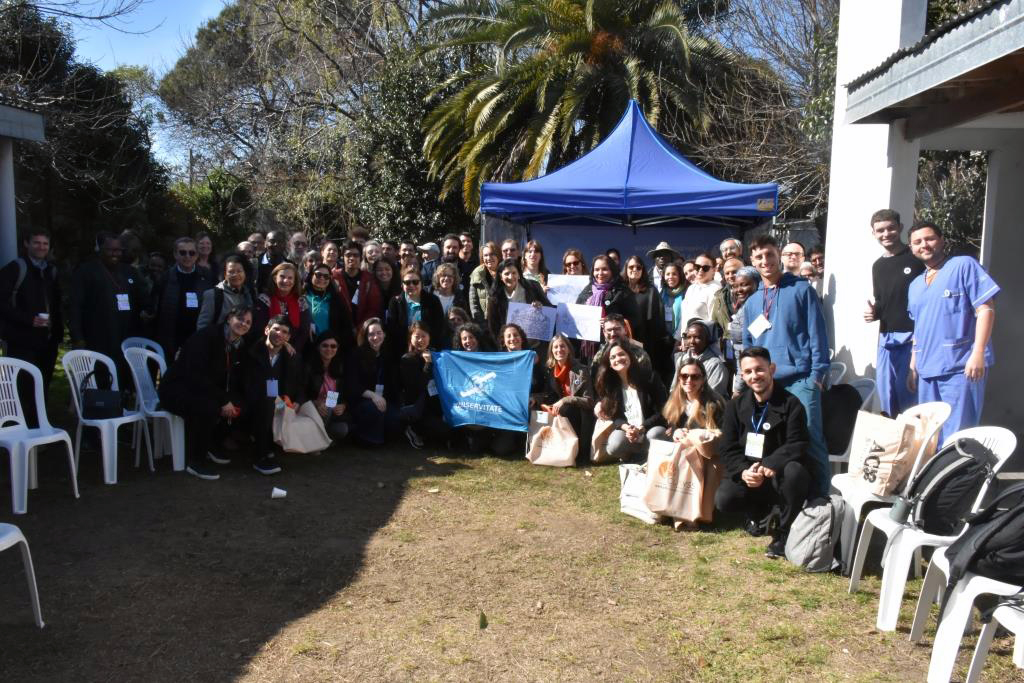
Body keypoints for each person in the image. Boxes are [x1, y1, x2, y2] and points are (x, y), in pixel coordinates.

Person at [742, 234, 830, 496]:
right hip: (765, 384)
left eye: (769, 254)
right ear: (752, 262)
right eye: (759, 257)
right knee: (767, 443)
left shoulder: (802, 290)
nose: (765, 260)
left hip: (801, 379)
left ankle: (822, 500)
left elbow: (818, 334)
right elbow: (748, 344)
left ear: (778, 254)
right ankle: (775, 501)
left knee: (811, 439)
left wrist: (817, 374)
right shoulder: (752, 302)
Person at [715, 347, 812, 558]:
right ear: (742, 376)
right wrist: (743, 472)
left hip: (776, 475)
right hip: (749, 473)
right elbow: (727, 447)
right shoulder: (734, 406)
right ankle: (757, 514)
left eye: (759, 369)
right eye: (748, 372)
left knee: (796, 472)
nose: (754, 376)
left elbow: (799, 443)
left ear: (772, 369)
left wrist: (771, 464)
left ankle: (783, 535)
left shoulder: (792, 405)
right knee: (724, 499)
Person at [907, 221, 999, 443]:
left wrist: (978, 352)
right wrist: (913, 365)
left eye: (929, 239)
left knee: (958, 435)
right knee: (931, 436)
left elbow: (986, 309)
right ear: (911, 248)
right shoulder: (915, 285)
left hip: (961, 367)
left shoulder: (963, 266)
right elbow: (919, 328)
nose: (924, 245)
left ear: (942, 241)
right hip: (927, 370)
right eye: (917, 242)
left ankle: (963, 478)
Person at [158, 305, 251, 480]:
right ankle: (196, 462)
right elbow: (195, 375)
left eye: (248, 322)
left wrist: (227, 400)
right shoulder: (207, 337)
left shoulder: (238, 345)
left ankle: (211, 444)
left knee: (241, 404)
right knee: (208, 407)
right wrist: (223, 400)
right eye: (240, 319)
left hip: (206, 390)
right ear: (229, 318)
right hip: (179, 389)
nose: (243, 324)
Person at [649, 357, 726, 527]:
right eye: (684, 376)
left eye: (695, 377)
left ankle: (685, 511)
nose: (689, 380)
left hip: (705, 457)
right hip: (680, 454)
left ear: (703, 379)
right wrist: (676, 431)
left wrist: (692, 435)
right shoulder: (676, 399)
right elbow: (670, 425)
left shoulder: (714, 403)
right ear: (679, 378)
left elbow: (719, 436)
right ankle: (667, 507)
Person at [863, 209, 924, 417]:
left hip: (911, 337)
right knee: (886, 395)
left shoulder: (916, 259)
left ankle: (913, 445)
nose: (886, 233)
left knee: (908, 394)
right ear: (873, 233)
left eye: (890, 228)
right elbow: (883, 300)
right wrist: (874, 313)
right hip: (886, 337)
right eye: (880, 230)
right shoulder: (877, 266)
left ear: (900, 228)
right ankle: (892, 444)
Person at [0, 228, 63, 426]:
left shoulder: (51, 271)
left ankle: (39, 427)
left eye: (45, 243)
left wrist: (58, 332)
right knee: (22, 385)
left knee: (42, 385)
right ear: (27, 244)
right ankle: (18, 429)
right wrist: (28, 320)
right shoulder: (16, 268)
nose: (41, 247)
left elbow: (56, 303)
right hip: (21, 340)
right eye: (37, 242)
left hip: (47, 341)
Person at [69, 233, 147, 386]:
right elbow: (75, 305)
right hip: (97, 336)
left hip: (125, 336)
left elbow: (142, 298)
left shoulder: (129, 271)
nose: (115, 254)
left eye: (118, 250)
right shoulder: (86, 271)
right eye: (110, 250)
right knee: (100, 377)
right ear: (100, 250)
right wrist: (77, 336)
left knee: (122, 376)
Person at [243, 314, 304, 475]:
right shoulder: (251, 353)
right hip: (252, 401)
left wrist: (297, 401)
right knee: (266, 405)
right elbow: (245, 384)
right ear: (266, 330)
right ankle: (260, 457)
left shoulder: (292, 358)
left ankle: (270, 447)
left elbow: (299, 384)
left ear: (289, 337)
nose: (280, 334)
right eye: (276, 329)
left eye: (285, 332)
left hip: (281, 401)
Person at [593, 341, 667, 462]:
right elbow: (615, 415)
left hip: (650, 428)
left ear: (630, 356)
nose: (618, 359)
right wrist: (626, 428)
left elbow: (662, 411)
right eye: (613, 357)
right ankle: (636, 455)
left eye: (621, 354)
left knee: (654, 435)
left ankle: (650, 457)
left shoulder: (650, 378)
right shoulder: (611, 385)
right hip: (629, 430)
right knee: (614, 446)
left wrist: (642, 428)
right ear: (610, 364)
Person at [150, 236, 215, 360]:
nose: (187, 256)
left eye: (191, 253)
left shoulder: (207, 277)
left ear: (197, 255)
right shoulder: (165, 278)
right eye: (182, 252)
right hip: (171, 335)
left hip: (197, 333)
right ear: (175, 254)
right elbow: (155, 307)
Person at [536, 333, 594, 460]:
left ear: (569, 349)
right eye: (555, 347)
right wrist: (537, 400)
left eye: (562, 346)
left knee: (566, 408)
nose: (559, 350)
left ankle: (575, 450)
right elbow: (548, 395)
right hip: (559, 413)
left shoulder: (581, 370)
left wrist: (565, 399)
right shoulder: (550, 371)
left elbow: (589, 401)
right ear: (551, 351)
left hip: (580, 415)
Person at [345, 317, 400, 445]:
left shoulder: (388, 355)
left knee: (395, 416)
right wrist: (373, 395)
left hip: (382, 399)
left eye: (378, 333)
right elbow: (352, 384)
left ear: (384, 334)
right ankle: (366, 440)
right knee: (373, 410)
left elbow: (393, 384)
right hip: (362, 399)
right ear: (365, 336)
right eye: (371, 334)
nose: (375, 337)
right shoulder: (356, 355)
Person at [575, 254, 640, 359]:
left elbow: (635, 319)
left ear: (612, 271)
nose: (600, 273)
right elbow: (575, 317)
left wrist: (611, 322)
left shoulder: (622, 291)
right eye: (597, 270)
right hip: (588, 352)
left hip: (615, 350)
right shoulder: (586, 291)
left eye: (604, 269)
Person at [399, 322, 451, 449]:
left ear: (429, 337)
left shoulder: (435, 354)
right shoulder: (407, 359)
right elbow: (418, 385)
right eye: (417, 336)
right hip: (419, 408)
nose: (420, 340)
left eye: (424, 336)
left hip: (434, 405)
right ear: (411, 338)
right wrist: (428, 364)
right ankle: (413, 429)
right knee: (441, 430)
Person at [623, 255, 670, 379]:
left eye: (638, 267)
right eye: (631, 267)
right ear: (626, 269)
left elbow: (658, 319)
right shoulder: (619, 289)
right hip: (622, 341)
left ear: (643, 270)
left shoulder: (650, 290)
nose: (635, 269)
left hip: (645, 342)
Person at [252, 261, 312, 355]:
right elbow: (259, 328)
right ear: (275, 278)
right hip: (267, 350)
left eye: (290, 278)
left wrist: (291, 348)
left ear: (295, 281)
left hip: (292, 351)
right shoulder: (264, 300)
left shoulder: (301, 302)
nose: (286, 281)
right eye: (282, 277)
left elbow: (304, 331)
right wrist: (278, 346)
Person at [485, 258, 552, 343]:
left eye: (514, 273)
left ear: (519, 274)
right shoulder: (494, 297)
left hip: (534, 343)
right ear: (500, 276)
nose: (511, 277)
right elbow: (493, 326)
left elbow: (549, 310)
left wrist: (541, 306)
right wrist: (502, 345)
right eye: (506, 274)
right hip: (510, 345)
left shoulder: (533, 287)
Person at [387, 264, 447, 356]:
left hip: (429, 350)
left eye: (415, 282)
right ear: (402, 285)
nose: (411, 285)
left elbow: (439, 327)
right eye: (407, 282)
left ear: (421, 283)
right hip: (403, 352)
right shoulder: (395, 302)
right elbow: (393, 330)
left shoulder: (433, 300)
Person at [305, 330, 350, 444]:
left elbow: (346, 393)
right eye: (325, 345)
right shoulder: (308, 367)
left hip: (331, 412)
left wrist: (343, 405)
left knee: (342, 429)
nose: (329, 349)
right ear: (318, 347)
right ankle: (315, 440)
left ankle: (320, 438)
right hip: (312, 410)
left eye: (333, 346)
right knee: (326, 409)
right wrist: (316, 403)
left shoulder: (340, 367)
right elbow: (301, 392)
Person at [304, 262, 356, 349]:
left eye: (326, 276)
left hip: (330, 348)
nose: (322, 278)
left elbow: (346, 326)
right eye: (318, 275)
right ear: (311, 275)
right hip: (307, 347)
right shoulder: (302, 297)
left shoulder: (336, 299)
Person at [196, 254, 254, 330]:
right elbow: (202, 326)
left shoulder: (248, 295)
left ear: (245, 273)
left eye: (239, 271)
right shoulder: (213, 295)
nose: (235, 275)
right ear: (225, 274)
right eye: (231, 271)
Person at [334, 240, 383, 328]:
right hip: (338, 328)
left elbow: (373, 308)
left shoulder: (369, 279)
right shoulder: (334, 277)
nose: (352, 258)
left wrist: (361, 328)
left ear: (360, 257)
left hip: (363, 329)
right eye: (348, 255)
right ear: (342, 257)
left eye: (356, 255)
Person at [674, 320, 729, 398]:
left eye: (697, 337)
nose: (692, 341)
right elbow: (674, 389)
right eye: (689, 337)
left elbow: (713, 396)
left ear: (707, 340)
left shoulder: (716, 365)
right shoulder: (682, 360)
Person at [590, 313, 654, 380]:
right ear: (604, 332)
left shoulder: (638, 354)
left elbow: (645, 380)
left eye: (617, 329)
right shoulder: (600, 354)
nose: (613, 334)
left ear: (625, 330)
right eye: (609, 330)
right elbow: (594, 378)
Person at [727, 266, 759, 396]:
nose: (738, 290)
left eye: (744, 285)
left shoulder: (757, 310)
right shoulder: (744, 307)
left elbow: (750, 349)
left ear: (757, 284)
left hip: (750, 376)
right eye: (735, 286)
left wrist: (738, 388)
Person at [679, 252, 725, 333]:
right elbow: (685, 317)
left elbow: (713, 322)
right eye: (697, 267)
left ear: (714, 270)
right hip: (687, 339)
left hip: (703, 341)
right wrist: (680, 339)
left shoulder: (715, 289)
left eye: (705, 268)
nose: (700, 270)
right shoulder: (691, 288)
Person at [469, 241, 500, 325]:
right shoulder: (477, 274)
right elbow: (473, 303)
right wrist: (481, 323)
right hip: (485, 323)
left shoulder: (506, 272)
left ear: (498, 255)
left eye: (492, 254)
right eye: (485, 255)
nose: (489, 258)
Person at [660, 261, 686, 347]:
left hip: (679, 339)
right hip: (662, 337)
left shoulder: (686, 293)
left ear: (679, 276)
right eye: (668, 274)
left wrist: (678, 338)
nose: (670, 277)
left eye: (674, 274)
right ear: (663, 276)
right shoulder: (661, 293)